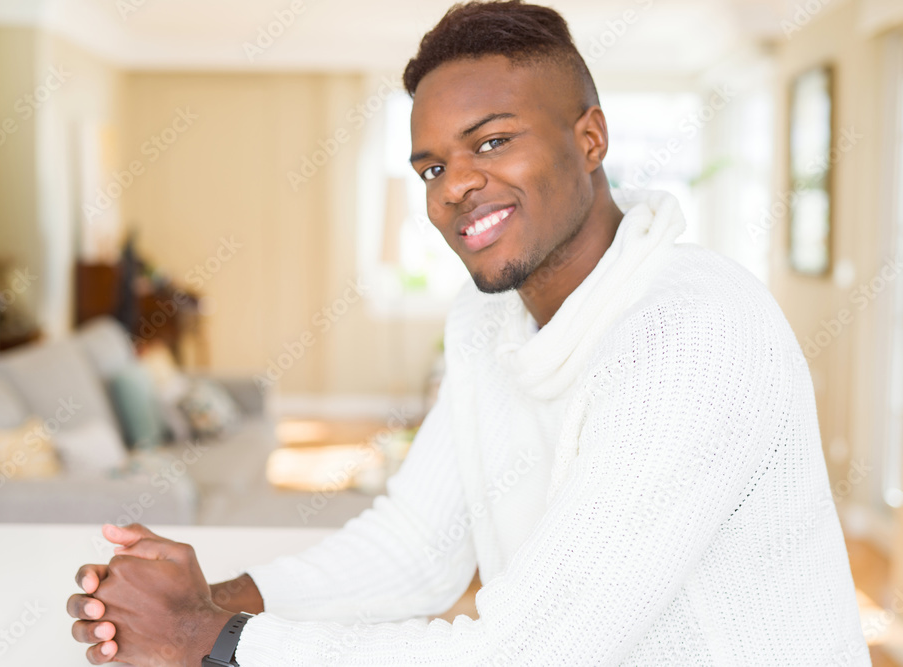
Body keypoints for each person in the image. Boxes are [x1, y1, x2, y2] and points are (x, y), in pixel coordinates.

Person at [67, 1, 870, 664]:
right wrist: (213, 600)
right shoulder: (487, 315)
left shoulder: (693, 334)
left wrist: (214, 638)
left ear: (590, 139)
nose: (456, 186)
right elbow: (418, 545)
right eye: (432, 166)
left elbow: (530, 650)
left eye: (492, 141)